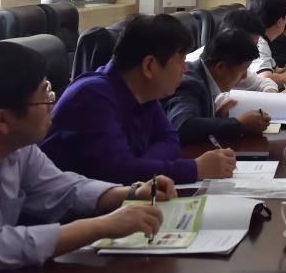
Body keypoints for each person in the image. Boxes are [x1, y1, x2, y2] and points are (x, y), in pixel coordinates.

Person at [0, 41, 175, 273]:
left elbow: (64, 189)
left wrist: (132, 193)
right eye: (44, 96)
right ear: (3, 120)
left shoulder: (19, 148)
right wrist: (100, 226)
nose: (52, 105)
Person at [42, 14, 236, 184]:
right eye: (180, 61)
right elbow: (119, 173)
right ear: (149, 66)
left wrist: (140, 167)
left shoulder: (145, 92)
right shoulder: (91, 97)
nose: (185, 69)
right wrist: (195, 169)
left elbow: (170, 140)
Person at [164, 28, 271, 144]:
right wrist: (239, 124)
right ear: (220, 68)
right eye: (244, 69)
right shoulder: (190, 84)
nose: (245, 77)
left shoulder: (203, 76)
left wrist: (217, 116)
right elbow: (182, 125)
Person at [187, 8, 280, 93]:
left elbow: (264, 83)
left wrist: (271, 96)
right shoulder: (193, 80)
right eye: (251, 44)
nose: (253, 49)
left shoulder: (236, 66)